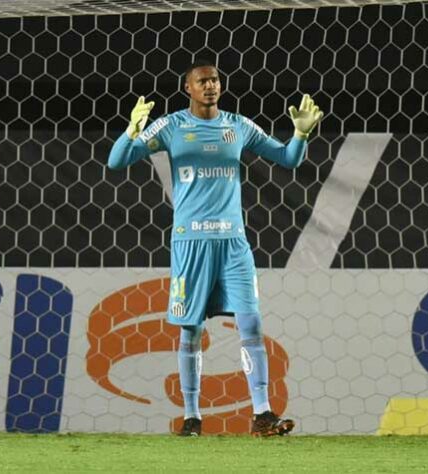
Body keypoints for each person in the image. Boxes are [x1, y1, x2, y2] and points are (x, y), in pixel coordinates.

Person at [108, 58, 322, 437]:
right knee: (190, 331)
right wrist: (131, 131)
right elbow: (117, 161)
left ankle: (262, 414)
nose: (210, 86)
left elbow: (288, 159)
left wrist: (301, 135)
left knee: (251, 322)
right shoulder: (171, 126)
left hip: (234, 244)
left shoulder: (237, 126)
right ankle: (191, 418)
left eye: (215, 80)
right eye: (202, 81)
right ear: (187, 88)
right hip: (191, 243)